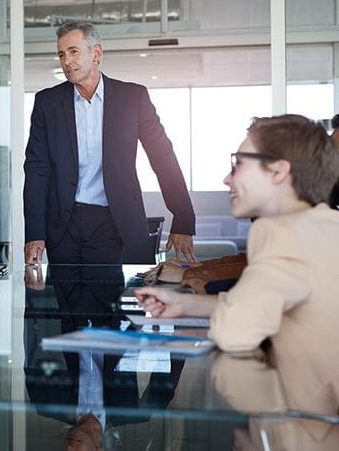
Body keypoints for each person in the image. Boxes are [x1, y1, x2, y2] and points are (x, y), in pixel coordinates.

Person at [137, 115, 339, 360]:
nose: (227, 178)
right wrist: (187, 305)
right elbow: (265, 308)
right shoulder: (320, 227)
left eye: (238, 164)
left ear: (277, 171)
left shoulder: (281, 235)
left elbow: (235, 333)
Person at [24, 21, 196, 265]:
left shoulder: (133, 98)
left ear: (96, 53)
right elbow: (36, 170)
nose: (66, 61)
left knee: (109, 300)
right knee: (63, 301)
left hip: (115, 222)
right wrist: (35, 233)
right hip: (63, 226)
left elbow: (162, 157)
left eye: (74, 51)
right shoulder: (47, 102)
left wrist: (183, 217)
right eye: (61, 54)